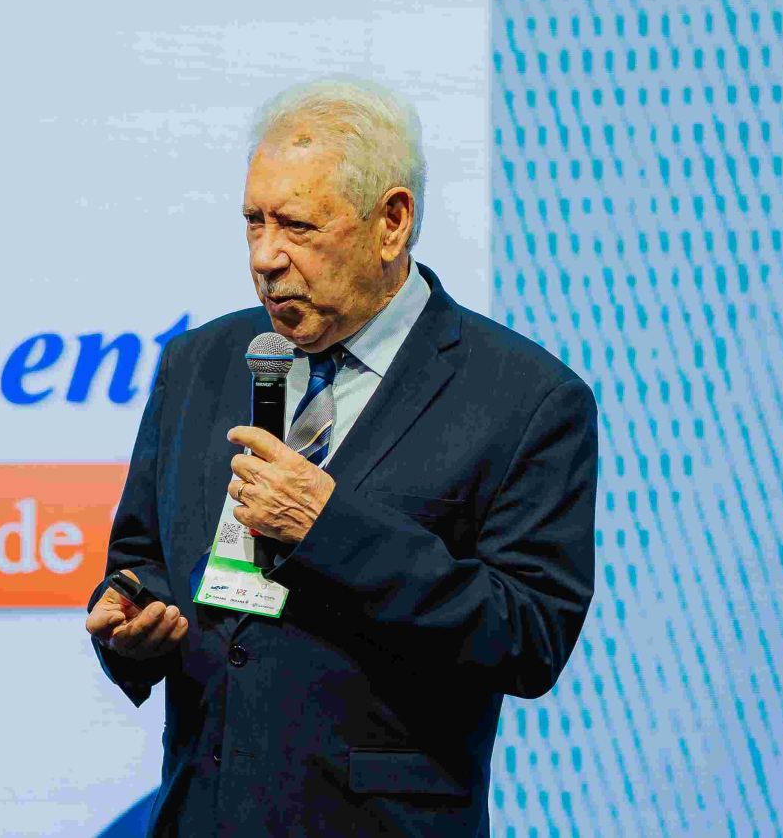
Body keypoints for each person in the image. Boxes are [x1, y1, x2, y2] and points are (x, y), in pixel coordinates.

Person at [84, 77, 597, 837]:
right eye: (253, 221)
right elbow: (145, 557)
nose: (265, 257)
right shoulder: (200, 363)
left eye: (297, 225)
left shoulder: (525, 399)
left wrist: (329, 528)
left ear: (392, 222)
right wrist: (132, 618)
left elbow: (528, 637)